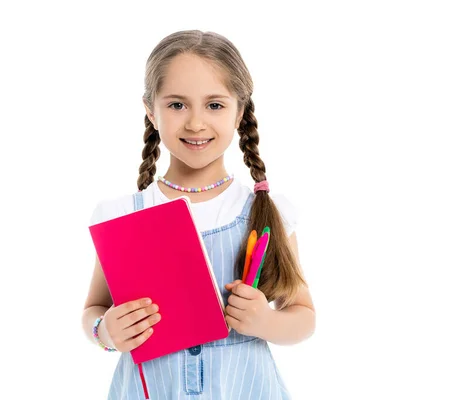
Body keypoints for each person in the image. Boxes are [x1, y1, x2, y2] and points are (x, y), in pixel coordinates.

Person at [81, 29, 315, 399]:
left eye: (215, 105)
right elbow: (95, 306)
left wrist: (266, 321)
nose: (195, 123)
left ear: (240, 111)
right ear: (150, 110)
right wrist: (104, 332)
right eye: (176, 105)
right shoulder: (122, 215)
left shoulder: (266, 210)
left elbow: (303, 316)